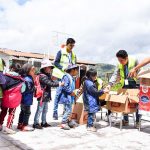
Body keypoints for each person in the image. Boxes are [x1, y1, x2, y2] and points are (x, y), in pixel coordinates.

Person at [106, 50, 140, 127]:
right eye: (118, 60)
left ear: (126, 58)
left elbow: (140, 72)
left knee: (137, 103)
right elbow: (115, 74)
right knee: (124, 101)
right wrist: (110, 85)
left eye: (121, 60)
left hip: (135, 84)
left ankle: (138, 122)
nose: (120, 62)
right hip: (125, 84)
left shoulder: (134, 60)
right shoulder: (119, 64)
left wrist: (137, 77)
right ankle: (125, 120)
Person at [33, 59, 63, 129]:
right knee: (39, 110)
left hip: (45, 96)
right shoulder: (42, 76)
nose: (50, 69)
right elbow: (50, 83)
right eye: (49, 67)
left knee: (45, 110)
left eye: (50, 67)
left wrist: (53, 79)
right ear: (44, 68)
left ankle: (44, 122)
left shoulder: (46, 75)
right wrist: (59, 84)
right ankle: (35, 123)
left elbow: (50, 81)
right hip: (42, 96)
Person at [52, 38, 77, 120]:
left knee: (68, 93)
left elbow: (74, 64)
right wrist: (63, 68)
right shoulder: (61, 52)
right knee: (58, 93)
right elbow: (55, 63)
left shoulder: (73, 54)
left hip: (69, 76)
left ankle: (65, 112)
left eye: (73, 45)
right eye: (70, 45)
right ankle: (55, 112)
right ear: (67, 44)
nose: (72, 47)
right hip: (61, 75)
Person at [0, 63, 25, 134]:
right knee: (11, 113)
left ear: (11, 68)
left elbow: (3, 87)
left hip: (5, 98)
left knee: (3, 111)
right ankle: (8, 127)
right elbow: (23, 90)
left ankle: (0, 124)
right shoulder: (21, 80)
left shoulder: (4, 77)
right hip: (15, 100)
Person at [58, 64, 79, 130]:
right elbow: (65, 86)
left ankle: (67, 121)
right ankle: (64, 123)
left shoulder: (71, 77)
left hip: (69, 97)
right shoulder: (66, 77)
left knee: (68, 110)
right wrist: (71, 92)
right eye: (76, 70)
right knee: (68, 110)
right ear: (72, 70)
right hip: (66, 97)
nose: (77, 72)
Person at [17, 63, 35, 131]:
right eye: (33, 70)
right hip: (26, 99)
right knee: (27, 112)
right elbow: (28, 89)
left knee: (22, 111)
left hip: (23, 99)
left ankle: (20, 124)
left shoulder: (24, 77)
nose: (34, 71)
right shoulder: (28, 79)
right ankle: (25, 125)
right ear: (28, 70)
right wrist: (34, 88)